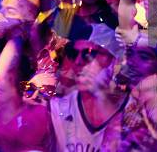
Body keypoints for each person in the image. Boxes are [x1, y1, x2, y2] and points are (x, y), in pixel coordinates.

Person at [50, 23, 127, 152]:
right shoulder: (59, 108)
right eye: (74, 54)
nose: (78, 62)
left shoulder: (133, 110)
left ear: (114, 61)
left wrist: (102, 97)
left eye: (88, 53)